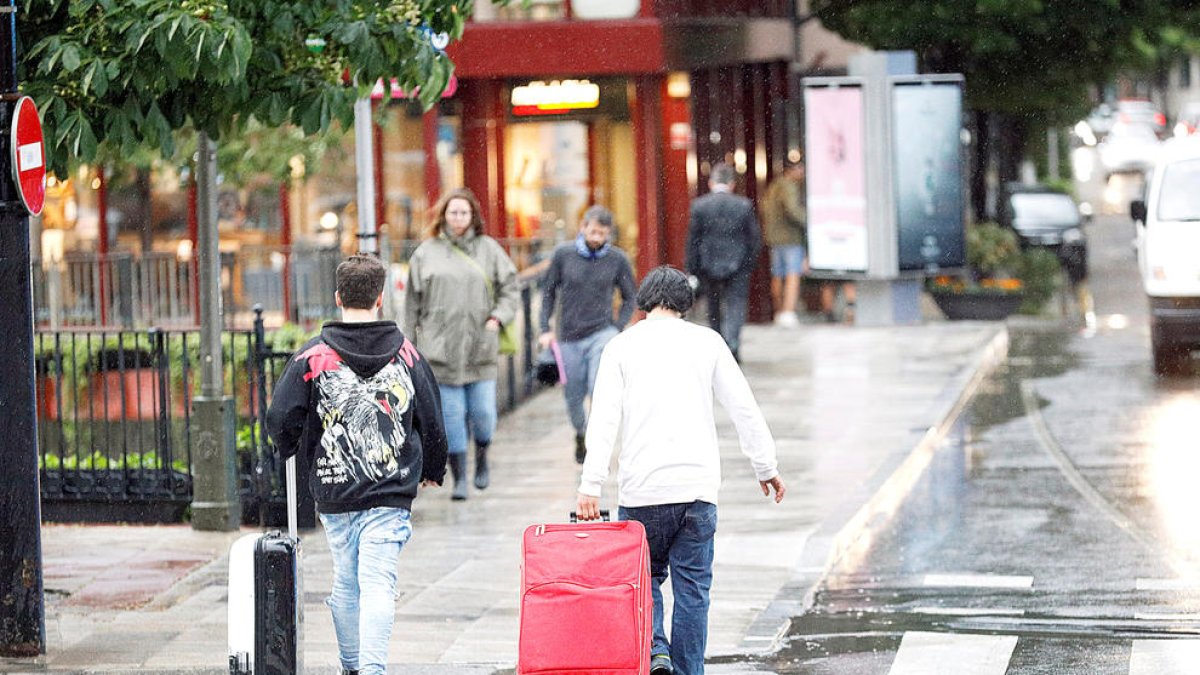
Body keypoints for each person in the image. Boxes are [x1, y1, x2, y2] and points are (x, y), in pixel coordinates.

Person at [576, 266, 786, 675]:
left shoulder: (621, 347)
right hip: (697, 490)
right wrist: (766, 466)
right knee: (693, 590)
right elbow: (743, 407)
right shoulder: (707, 343)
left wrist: (591, 485)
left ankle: (656, 651)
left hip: (643, 491)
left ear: (644, 301)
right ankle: (688, 670)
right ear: (685, 304)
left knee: (644, 579)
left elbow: (603, 420)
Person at [266, 254, 448, 675]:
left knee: (346, 581)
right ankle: (372, 668)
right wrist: (433, 469)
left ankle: (352, 666)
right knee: (379, 581)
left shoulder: (312, 356)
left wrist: (289, 445)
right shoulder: (407, 355)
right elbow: (432, 418)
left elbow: (280, 417)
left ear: (337, 297)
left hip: (334, 487)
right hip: (390, 486)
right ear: (381, 298)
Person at [405, 187, 519, 500]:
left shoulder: (489, 249)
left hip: (480, 349)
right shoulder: (425, 253)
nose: (458, 218)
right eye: (453, 212)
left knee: (483, 414)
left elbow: (511, 287)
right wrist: (408, 346)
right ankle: (460, 478)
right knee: (452, 420)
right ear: (443, 215)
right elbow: (411, 304)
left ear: (473, 216)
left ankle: (482, 457)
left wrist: (498, 317)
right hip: (439, 352)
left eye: (464, 212)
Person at [537, 205, 637, 464]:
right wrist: (544, 328)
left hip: (601, 333)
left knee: (598, 388)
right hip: (568, 335)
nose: (596, 238)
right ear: (582, 228)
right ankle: (580, 433)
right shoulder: (563, 255)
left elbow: (630, 296)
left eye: (602, 234)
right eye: (592, 232)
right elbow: (548, 292)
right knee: (573, 394)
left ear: (608, 233)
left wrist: (617, 327)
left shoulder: (617, 259)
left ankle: (596, 440)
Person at [685, 162, 762, 360]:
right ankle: (733, 343)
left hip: (708, 264)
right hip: (738, 263)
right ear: (732, 184)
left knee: (713, 306)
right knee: (736, 304)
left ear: (711, 183)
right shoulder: (743, 205)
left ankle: (717, 344)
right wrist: (748, 264)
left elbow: (693, 240)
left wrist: (692, 267)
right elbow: (754, 239)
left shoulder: (700, 205)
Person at [760, 157, 806, 328]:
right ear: (792, 170)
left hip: (774, 238)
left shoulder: (773, 186)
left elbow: (765, 209)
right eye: (800, 169)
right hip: (790, 237)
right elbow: (793, 210)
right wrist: (812, 220)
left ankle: (779, 311)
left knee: (778, 276)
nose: (803, 173)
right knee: (793, 274)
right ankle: (788, 311)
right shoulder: (789, 186)